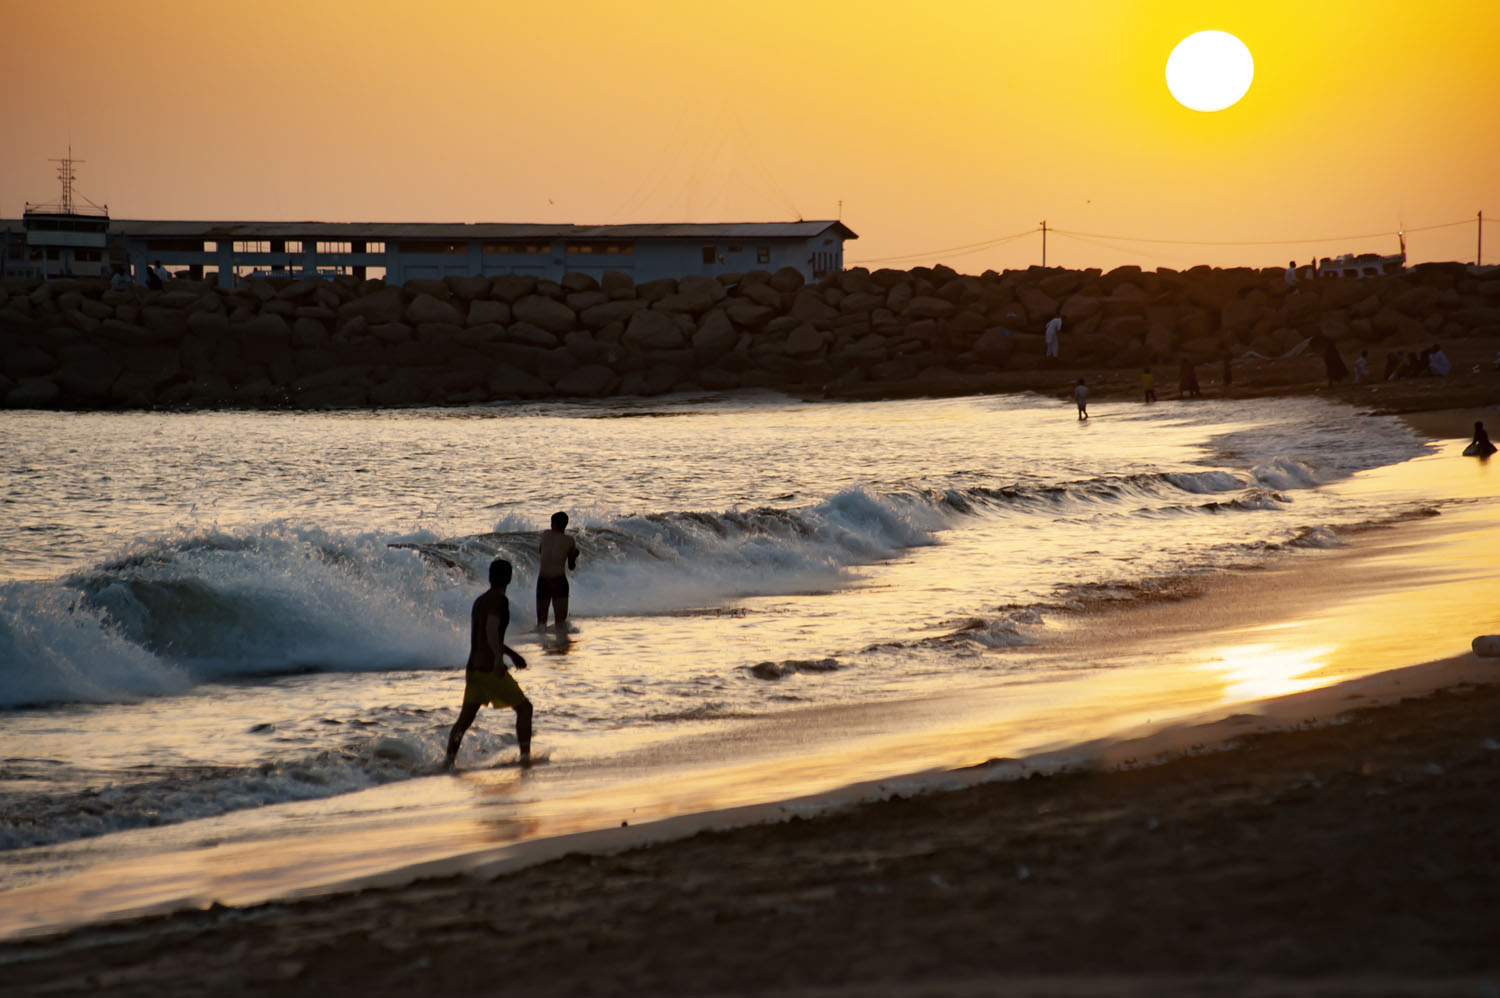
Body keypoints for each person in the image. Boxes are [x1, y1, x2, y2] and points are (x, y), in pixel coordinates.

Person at [445, 558, 531, 769]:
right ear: (509, 578)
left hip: (473, 670)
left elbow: (485, 635)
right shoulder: (499, 601)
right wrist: (498, 661)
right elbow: (491, 630)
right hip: (488, 669)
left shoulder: (480, 600)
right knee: (525, 709)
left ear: (490, 577)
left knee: (464, 722)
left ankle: (448, 762)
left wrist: (511, 654)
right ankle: (525, 758)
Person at [537, 510, 580, 628]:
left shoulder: (545, 534)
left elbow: (541, 551)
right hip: (559, 581)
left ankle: (543, 643)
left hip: (543, 581)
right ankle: (561, 644)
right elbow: (571, 567)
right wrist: (574, 555)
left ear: (554, 524)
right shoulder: (570, 541)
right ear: (565, 525)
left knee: (541, 624)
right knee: (560, 624)